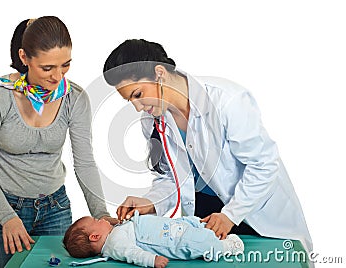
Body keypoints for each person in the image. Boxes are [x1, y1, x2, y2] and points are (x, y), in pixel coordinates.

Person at [102, 39, 313, 252]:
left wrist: (231, 214)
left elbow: (263, 165)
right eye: (130, 101)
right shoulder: (152, 120)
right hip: (205, 215)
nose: (138, 107)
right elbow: (171, 176)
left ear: (159, 73)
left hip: (257, 213)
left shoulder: (227, 101)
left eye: (138, 94)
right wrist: (151, 202)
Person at [0, 16, 117, 268]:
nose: (58, 76)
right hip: (3, 210)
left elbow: (85, 162)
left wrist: (100, 213)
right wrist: (7, 217)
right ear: (24, 58)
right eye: (48, 68)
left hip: (54, 209)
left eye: (65, 65)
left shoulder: (73, 97)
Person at [63, 211, 244, 268]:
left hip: (167, 228)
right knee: (198, 244)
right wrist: (152, 260)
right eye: (97, 221)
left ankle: (207, 230)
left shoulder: (114, 232)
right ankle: (225, 247)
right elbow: (132, 254)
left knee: (191, 225)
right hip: (171, 239)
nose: (102, 219)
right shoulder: (114, 244)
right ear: (95, 237)